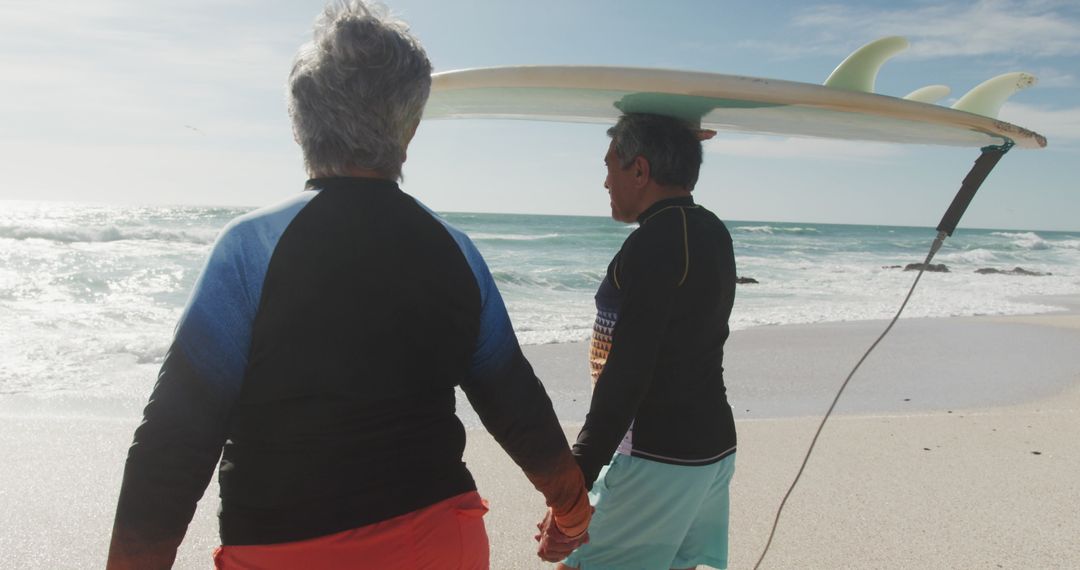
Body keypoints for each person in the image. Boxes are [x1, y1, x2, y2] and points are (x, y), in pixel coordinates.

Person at [106, 2, 590, 568]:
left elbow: (174, 440)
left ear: (299, 122)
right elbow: (515, 400)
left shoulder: (251, 248)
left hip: (289, 549)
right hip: (442, 542)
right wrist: (572, 512)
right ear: (408, 128)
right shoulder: (456, 251)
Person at [552, 113, 738, 570]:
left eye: (611, 166)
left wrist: (577, 478)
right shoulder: (712, 230)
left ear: (640, 171)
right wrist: (675, 142)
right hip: (711, 448)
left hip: (659, 454)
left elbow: (628, 371)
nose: (605, 181)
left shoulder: (654, 243)